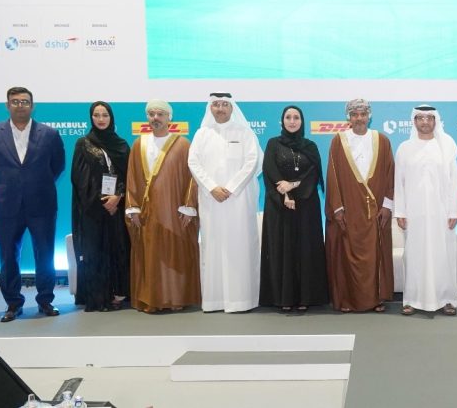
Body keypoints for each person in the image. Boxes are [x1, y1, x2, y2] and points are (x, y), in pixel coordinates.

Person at [0, 87, 65, 322]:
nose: (20, 105)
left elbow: (57, 166)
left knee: (45, 255)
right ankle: (13, 303)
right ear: (7, 105)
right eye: (15, 102)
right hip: (6, 205)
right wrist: (6, 186)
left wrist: (36, 184)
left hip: (42, 204)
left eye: (25, 102)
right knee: (8, 257)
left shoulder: (50, 134)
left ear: (32, 106)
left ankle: (45, 300)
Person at [188, 93, 263, 313]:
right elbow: (193, 162)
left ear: (232, 108)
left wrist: (230, 188)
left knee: (240, 247)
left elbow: (252, 162)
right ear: (210, 108)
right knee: (213, 247)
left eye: (224, 104)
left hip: (239, 200)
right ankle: (214, 300)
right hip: (211, 200)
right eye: (216, 105)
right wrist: (212, 187)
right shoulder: (202, 134)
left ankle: (242, 300)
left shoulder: (245, 133)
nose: (220, 108)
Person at [125, 100, 201, 313]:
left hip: (174, 212)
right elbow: (132, 177)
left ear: (169, 117)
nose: (155, 118)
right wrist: (133, 207)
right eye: (151, 114)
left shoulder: (183, 144)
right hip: (147, 213)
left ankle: (176, 298)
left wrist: (189, 206)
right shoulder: (139, 144)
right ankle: (152, 300)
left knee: (174, 253)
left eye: (160, 114)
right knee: (151, 255)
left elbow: (192, 178)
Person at [324, 99, 395, 313]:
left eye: (363, 114)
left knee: (374, 255)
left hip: (375, 211)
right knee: (346, 254)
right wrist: (337, 208)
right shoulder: (339, 141)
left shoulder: (382, 140)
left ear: (369, 116)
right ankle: (347, 300)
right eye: (354, 114)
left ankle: (375, 299)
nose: (359, 118)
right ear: (348, 117)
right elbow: (332, 176)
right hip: (348, 209)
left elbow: (390, 174)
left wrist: (387, 205)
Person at [259, 105, 329, 313]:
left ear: (302, 121)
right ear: (282, 121)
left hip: (307, 206)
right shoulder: (273, 143)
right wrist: (285, 194)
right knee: (282, 249)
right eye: (288, 117)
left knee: (305, 249)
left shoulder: (310, 146)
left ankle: (306, 296)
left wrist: (293, 185)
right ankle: (283, 298)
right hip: (279, 206)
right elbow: (269, 170)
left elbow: (313, 173)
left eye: (296, 117)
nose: (292, 121)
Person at [394, 105, 457, 316]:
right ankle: (412, 299)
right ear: (414, 121)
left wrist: (454, 211)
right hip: (414, 213)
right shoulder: (405, 148)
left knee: (444, 255)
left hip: (442, 212)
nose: (425, 122)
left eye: (429, 118)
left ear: (435, 121)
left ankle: (447, 299)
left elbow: (454, 181)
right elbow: (399, 183)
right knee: (414, 256)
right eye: (420, 118)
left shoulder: (446, 146)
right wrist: (400, 212)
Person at [70, 101, 131, 312]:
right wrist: (102, 201)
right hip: (93, 210)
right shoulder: (83, 144)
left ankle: (119, 294)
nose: (101, 119)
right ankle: (98, 297)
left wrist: (118, 197)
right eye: (97, 115)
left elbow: (130, 175)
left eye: (105, 115)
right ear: (91, 118)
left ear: (111, 118)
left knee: (118, 248)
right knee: (95, 251)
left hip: (118, 207)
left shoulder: (121, 145)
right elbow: (79, 178)